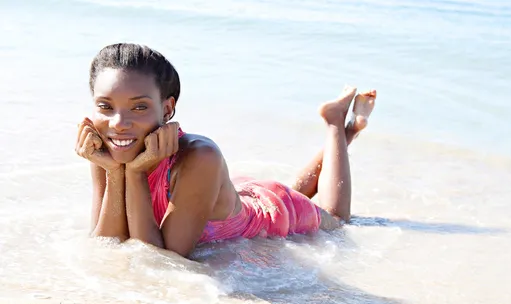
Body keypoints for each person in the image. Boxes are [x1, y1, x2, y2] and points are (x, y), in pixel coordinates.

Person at [76, 43, 376, 257]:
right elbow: (108, 242)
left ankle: (337, 125)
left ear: (167, 109)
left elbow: (161, 258)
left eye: (139, 107)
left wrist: (138, 173)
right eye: (105, 106)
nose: (119, 123)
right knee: (296, 192)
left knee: (337, 220)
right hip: (230, 195)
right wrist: (116, 171)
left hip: (273, 215)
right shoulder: (107, 148)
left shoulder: (199, 156)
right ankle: (344, 133)